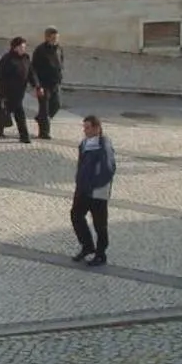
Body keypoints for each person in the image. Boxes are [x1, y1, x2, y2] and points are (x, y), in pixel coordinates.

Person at [70, 114, 118, 266]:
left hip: (98, 192)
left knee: (100, 224)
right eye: (84, 128)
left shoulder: (104, 145)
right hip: (83, 189)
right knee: (76, 215)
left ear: (97, 128)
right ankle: (87, 246)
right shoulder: (85, 143)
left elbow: (108, 169)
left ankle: (101, 253)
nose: (85, 131)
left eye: (88, 127)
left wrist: (95, 185)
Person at [0, 36, 33, 143]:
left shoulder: (26, 58)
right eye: (22, 47)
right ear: (15, 47)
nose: (24, 49)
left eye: (24, 47)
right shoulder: (6, 60)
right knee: (19, 113)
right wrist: (2, 94)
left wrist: (37, 85)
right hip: (9, 92)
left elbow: (31, 73)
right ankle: (24, 136)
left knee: (6, 112)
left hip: (20, 91)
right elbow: (1, 78)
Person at [31, 27, 65, 139]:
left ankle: (41, 118)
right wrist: (37, 85)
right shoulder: (40, 50)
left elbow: (61, 63)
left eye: (57, 38)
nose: (55, 40)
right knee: (44, 109)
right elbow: (33, 69)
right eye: (53, 38)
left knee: (57, 105)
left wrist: (60, 76)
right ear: (47, 37)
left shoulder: (59, 49)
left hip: (55, 83)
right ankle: (44, 133)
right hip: (43, 84)